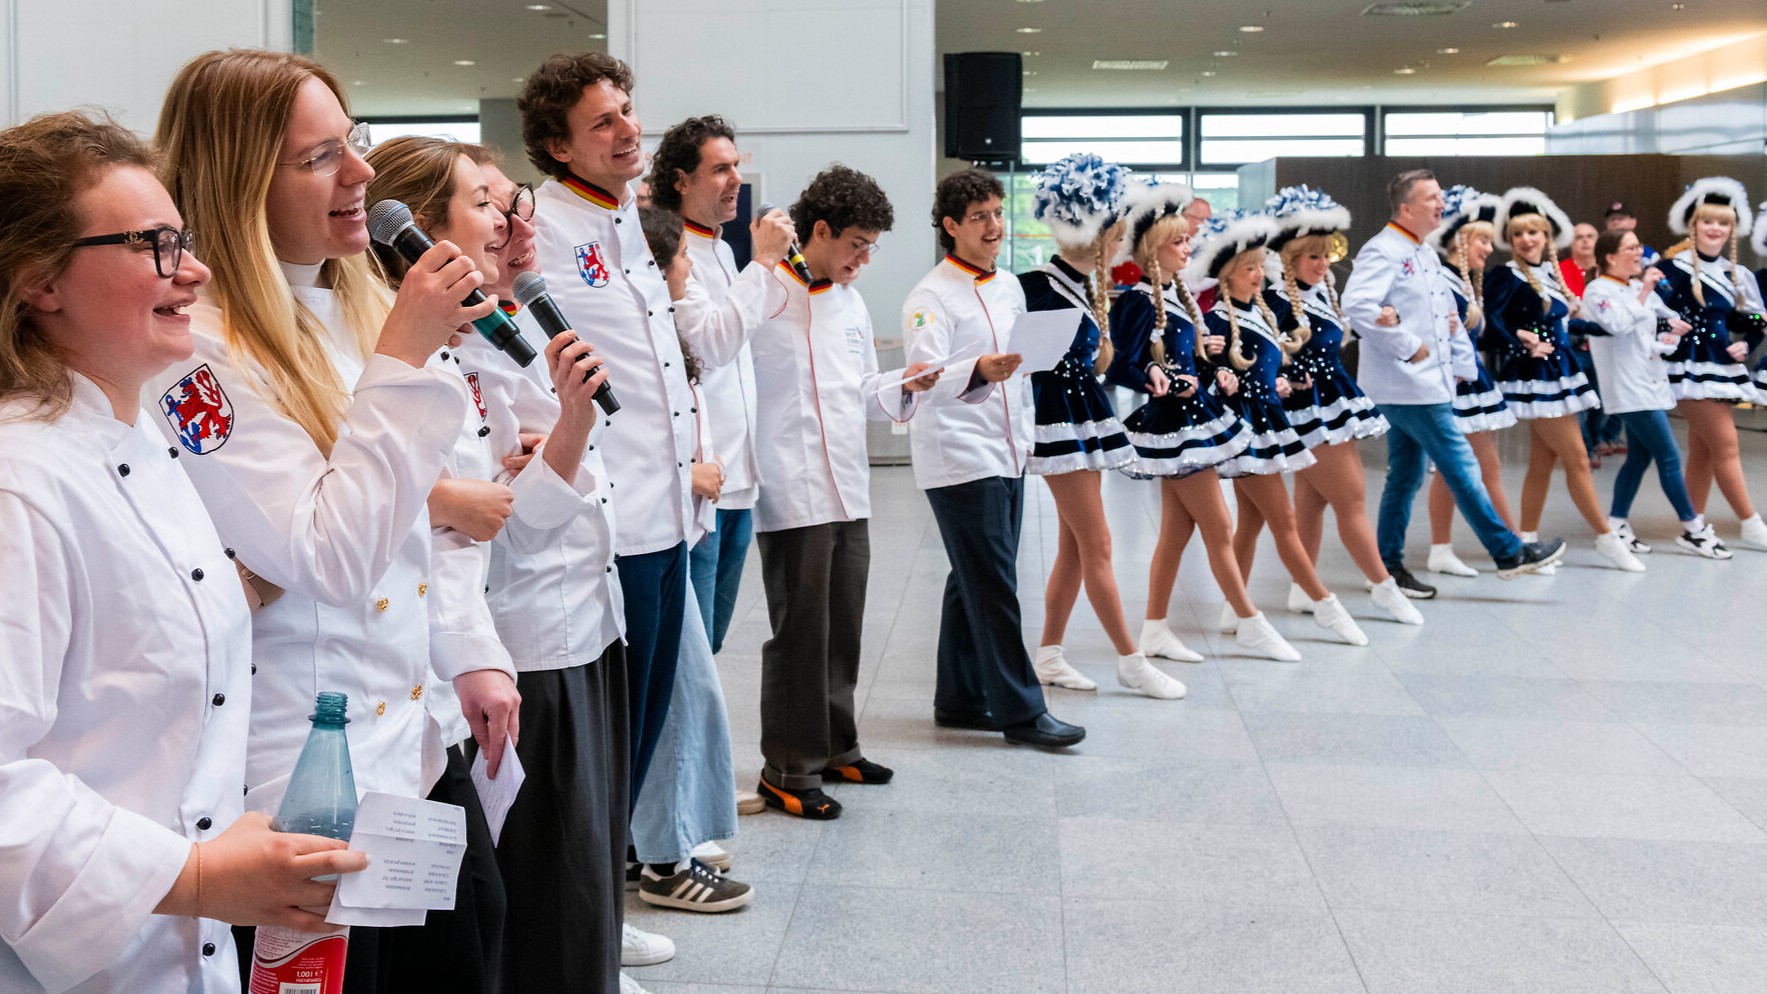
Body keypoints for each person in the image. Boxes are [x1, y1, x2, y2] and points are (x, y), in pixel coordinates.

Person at [152, 49, 514, 991]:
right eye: (319, 159)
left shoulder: (355, 303)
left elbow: (418, 520)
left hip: (412, 742)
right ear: (237, 183)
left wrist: (467, 650)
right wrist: (404, 355)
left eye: (352, 142)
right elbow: (329, 554)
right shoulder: (200, 350)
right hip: (301, 778)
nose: (362, 174)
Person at [0, 108, 366, 994]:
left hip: (172, 943)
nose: (194, 270)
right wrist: (194, 877)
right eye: (155, 246)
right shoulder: (21, 483)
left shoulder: (140, 441)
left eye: (186, 240)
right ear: (40, 279)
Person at [519, 52, 696, 840]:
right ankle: (594, 919)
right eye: (603, 121)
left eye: (626, 110)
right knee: (611, 730)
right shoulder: (543, 228)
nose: (629, 130)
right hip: (611, 518)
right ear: (560, 146)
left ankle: (611, 895)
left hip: (670, 510)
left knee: (647, 719)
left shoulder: (629, 217)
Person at [749, 164, 940, 818]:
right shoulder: (767, 294)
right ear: (820, 231)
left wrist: (903, 385)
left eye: (872, 246)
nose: (864, 258)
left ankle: (836, 746)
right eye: (856, 243)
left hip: (847, 486)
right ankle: (788, 769)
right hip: (790, 488)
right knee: (800, 633)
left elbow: (861, 391)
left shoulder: (850, 299)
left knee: (843, 627)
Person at [903, 167, 1087, 746]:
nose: (993, 226)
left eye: (997, 213)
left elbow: (1016, 362)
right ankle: (1022, 711)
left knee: (973, 577)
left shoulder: (1007, 284)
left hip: (1007, 448)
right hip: (959, 455)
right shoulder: (930, 295)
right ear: (951, 226)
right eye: (979, 216)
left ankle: (959, 698)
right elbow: (923, 376)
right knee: (995, 582)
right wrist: (977, 370)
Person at [620, 205, 754, 912]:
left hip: (678, 527)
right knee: (673, 699)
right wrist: (685, 477)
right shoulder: (629, 333)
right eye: (680, 264)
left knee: (685, 697)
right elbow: (613, 448)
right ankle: (662, 858)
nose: (688, 274)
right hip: (646, 534)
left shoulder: (667, 333)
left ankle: (663, 842)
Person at [1106, 181, 1300, 662]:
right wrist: (1162, 377)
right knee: (1218, 524)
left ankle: (1154, 627)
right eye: (1178, 241)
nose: (1188, 246)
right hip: (1174, 424)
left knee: (1178, 532)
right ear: (1154, 248)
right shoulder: (1135, 298)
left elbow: (1187, 357)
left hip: (1196, 416)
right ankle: (1249, 620)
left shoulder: (1179, 296)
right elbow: (1120, 363)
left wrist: (1215, 370)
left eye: (1187, 240)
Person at [1341, 169, 1565, 581]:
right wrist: (1407, 344)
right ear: (1406, 208)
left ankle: (1389, 562)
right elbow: (1356, 305)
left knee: (1405, 477)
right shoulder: (1383, 250)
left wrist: (1463, 365)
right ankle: (1508, 551)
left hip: (1429, 382)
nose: (1441, 204)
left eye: (1441, 196)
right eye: (1431, 198)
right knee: (1462, 466)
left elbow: (1448, 318)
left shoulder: (1423, 252)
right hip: (1407, 383)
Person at [1020, 153, 1184, 700]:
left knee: (1075, 546)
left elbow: (1105, 363)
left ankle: (1048, 654)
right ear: (1096, 237)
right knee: (1099, 544)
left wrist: (1150, 369)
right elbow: (1027, 364)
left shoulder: (1087, 290)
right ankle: (1130, 659)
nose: (1118, 249)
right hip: (1057, 428)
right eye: (1114, 239)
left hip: (1084, 420)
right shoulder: (1035, 287)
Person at [644, 115, 794, 655]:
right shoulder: (668, 253)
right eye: (720, 169)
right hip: (700, 479)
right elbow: (710, 348)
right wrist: (767, 263)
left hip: (739, 477)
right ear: (681, 180)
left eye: (736, 167)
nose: (734, 179)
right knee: (691, 647)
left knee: (713, 642)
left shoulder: (724, 251)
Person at [1187, 213, 1370, 649]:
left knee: (1250, 523)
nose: (1258, 275)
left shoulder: (1262, 314)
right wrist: (1220, 378)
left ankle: (1235, 608)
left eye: (1259, 268)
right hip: (1245, 435)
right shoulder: (1216, 323)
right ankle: (1325, 605)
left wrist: (1283, 383)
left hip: (1268, 427)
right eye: (1249, 269)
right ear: (1228, 275)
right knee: (1284, 520)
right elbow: (1206, 376)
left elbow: (1267, 370)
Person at [1261, 187, 1424, 624]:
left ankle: (1303, 586)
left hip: (1333, 402)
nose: (1323, 263)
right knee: (1352, 500)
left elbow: (1345, 333)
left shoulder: (1322, 292)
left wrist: (1387, 318)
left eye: (1325, 254)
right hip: (1309, 411)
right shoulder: (1276, 301)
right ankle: (1383, 587)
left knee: (1313, 501)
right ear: (1289, 258)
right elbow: (1266, 356)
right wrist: (1286, 376)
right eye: (1312, 256)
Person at [1484, 186, 1645, 572]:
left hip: (1559, 371)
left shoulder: (1551, 273)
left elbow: (1565, 323)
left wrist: (1609, 328)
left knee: (1543, 461)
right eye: (1519, 233)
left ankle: (1527, 540)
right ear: (1511, 239)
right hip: (1534, 377)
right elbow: (1490, 326)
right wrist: (1522, 343)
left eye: (1534, 232)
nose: (1526, 239)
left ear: (1546, 236)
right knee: (1576, 457)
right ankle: (1607, 538)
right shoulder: (1505, 276)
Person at [1582, 228, 1730, 558]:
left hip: (1649, 381)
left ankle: (1617, 523)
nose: (1639, 252)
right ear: (1610, 256)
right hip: (1627, 386)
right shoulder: (1598, 290)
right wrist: (1646, 291)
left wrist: (1668, 335)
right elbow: (1617, 326)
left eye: (1638, 246)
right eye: (1632, 247)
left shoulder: (1637, 287)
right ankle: (1693, 529)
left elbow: (1651, 329)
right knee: (1669, 455)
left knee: (1639, 457)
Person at [1655, 176, 1767, 550]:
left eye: (1723, 222)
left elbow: (1751, 320)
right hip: (1684, 368)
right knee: (1726, 445)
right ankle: (1750, 523)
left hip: (1721, 366)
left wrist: (1747, 344)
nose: (1715, 228)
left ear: (1732, 228)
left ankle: (1693, 524)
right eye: (1707, 221)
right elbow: (1648, 312)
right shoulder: (1670, 269)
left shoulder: (1739, 275)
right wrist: (1666, 330)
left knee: (1704, 450)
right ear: (1693, 224)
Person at [1423, 186, 1518, 578]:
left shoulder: (1459, 281)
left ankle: (1441, 548)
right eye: (1481, 239)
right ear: (1459, 241)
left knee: (1455, 471)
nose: (1488, 248)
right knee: (1485, 467)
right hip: (1455, 386)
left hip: (1469, 382)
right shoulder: (1441, 279)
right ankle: (1514, 546)